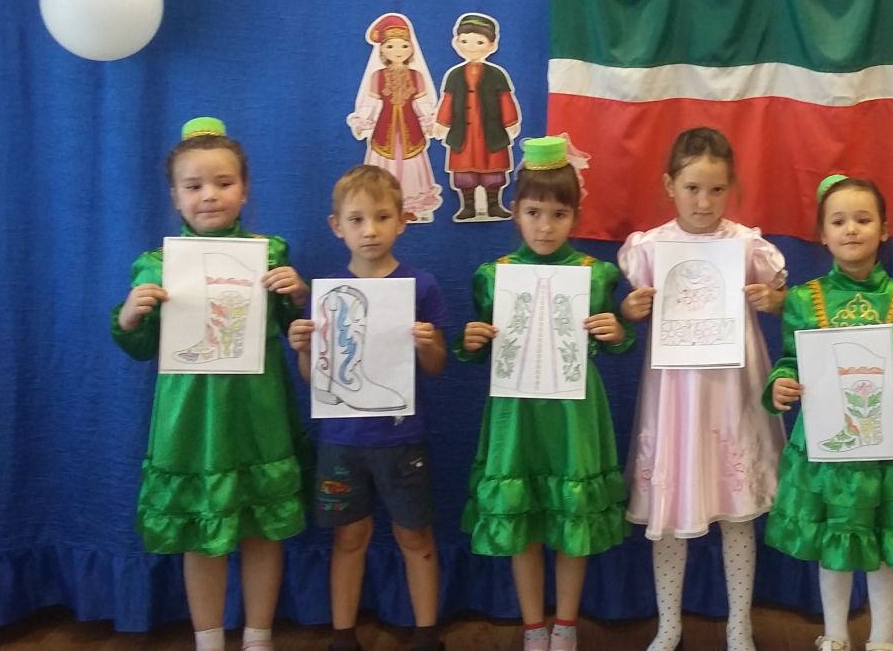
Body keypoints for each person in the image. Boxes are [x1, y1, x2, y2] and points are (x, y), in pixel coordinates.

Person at [110, 117, 310, 651]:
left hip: (257, 415)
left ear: (245, 190)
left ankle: (259, 636)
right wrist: (130, 315)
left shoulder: (270, 253)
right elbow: (139, 345)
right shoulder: (156, 265)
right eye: (194, 185)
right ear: (175, 197)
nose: (209, 195)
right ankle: (208, 640)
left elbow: (294, 329)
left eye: (224, 182)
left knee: (262, 529)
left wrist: (297, 294)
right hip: (191, 420)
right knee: (201, 535)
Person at [456, 136, 633, 651]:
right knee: (523, 515)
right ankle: (534, 627)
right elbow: (482, 348)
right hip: (516, 416)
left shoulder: (596, 275)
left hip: (573, 416)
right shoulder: (494, 276)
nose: (545, 226)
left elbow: (617, 343)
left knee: (572, 514)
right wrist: (470, 342)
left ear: (575, 216)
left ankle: (566, 626)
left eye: (559, 214)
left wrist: (617, 333)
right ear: (515, 212)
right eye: (534, 213)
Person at [618, 127, 788, 651]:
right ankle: (669, 623)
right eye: (692, 188)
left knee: (737, 511)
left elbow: (785, 298)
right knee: (670, 513)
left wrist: (774, 301)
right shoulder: (650, 249)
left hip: (731, 393)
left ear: (730, 187)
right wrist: (631, 309)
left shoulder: (747, 246)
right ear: (670, 185)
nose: (704, 201)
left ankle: (740, 624)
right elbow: (630, 310)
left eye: (716, 189)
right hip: (675, 398)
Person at [765, 175, 893, 651]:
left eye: (863, 219)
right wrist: (780, 383)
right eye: (838, 221)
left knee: (885, 544)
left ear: (884, 229)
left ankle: (882, 637)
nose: (851, 229)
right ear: (822, 234)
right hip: (827, 449)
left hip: (885, 449)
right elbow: (790, 360)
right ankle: (836, 633)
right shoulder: (803, 299)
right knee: (835, 540)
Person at [285, 165, 449, 651]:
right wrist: (302, 349)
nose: (370, 230)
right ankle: (343, 635)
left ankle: (426, 634)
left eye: (382, 217)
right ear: (337, 226)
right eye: (356, 220)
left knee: (415, 537)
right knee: (348, 539)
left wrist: (428, 344)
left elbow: (437, 367)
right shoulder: (326, 294)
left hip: (402, 440)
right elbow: (315, 379)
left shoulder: (421, 286)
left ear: (403, 221)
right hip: (341, 442)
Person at [347, 13, 443, 223]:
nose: (398, 51)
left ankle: (409, 206)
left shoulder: (416, 76)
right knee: (384, 166)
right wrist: (363, 119)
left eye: (404, 46)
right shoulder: (377, 76)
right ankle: (383, 206)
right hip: (384, 129)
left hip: (411, 129)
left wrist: (429, 119)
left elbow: (422, 103)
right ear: (381, 50)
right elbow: (372, 103)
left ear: (411, 49)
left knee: (411, 166)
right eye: (390, 46)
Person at [436, 12, 521, 222]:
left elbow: (505, 99)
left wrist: (510, 122)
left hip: (490, 133)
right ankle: (468, 206)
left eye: (479, 42)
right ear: (456, 42)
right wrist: (442, 123)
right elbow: (448, 101)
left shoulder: (497, 74)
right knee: (465, 172)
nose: (472, 47)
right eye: (465, 41)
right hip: (464, 134)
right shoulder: (454, 75)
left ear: (491, 45)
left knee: (493, 171)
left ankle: (494, 205)